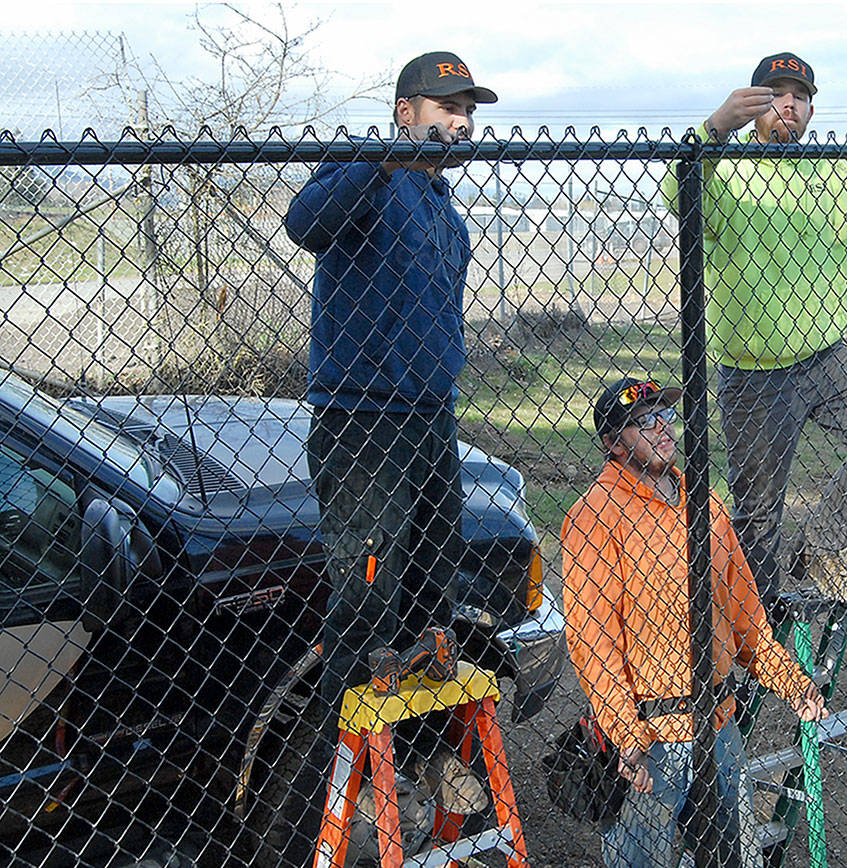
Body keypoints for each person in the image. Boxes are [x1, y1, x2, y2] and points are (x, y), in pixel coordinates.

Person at [276, 51, 496, 860]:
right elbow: (307, 225)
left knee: (435, 588)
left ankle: (432, 754)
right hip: (362, 420)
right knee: (365, 597)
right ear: (406, 112)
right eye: (445, 107)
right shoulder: (366, 171)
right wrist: (381, 162)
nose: (461, 121)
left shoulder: (446, 209)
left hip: (430, 416)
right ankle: (339, 781)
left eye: (468, 109)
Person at [660, 53, 847, 604]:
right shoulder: (722, 168)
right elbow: (679, 198)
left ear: (810, 108)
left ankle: (818, 549)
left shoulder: (826, 170)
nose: (789, 105)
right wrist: (710, 132)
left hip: (826, 358)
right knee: (758, 509)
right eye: (776, 94)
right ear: (754, 105)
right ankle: (759, 618)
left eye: (799, 96)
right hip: (754, 374)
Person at [562, 376, 828, 868]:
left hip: (718, 726)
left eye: (664, 415)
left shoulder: (704, 504)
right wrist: (625, 737)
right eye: (642, 422)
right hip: (651, 743)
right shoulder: (593, 517)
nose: (661, 426)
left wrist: (792, 683)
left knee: (737, 859)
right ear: (613, 444)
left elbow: (745, 612)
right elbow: (592, 639)